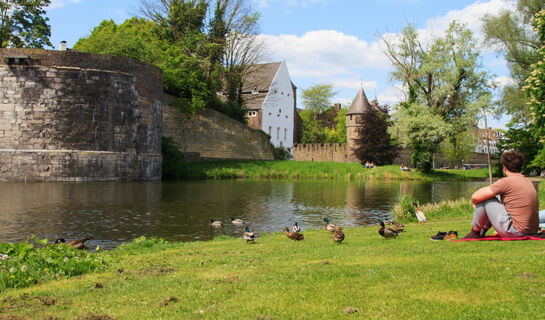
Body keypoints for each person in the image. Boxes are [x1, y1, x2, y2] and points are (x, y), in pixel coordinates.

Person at [462, 150, 539, 239]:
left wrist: (476, 204)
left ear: (504, 167)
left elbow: (475, 196)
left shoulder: (506, 182)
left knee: (486, 198)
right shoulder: (527, 181)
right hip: (532, 231)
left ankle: (475, 232)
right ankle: (483, 230)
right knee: (496, 197)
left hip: (515, 231)